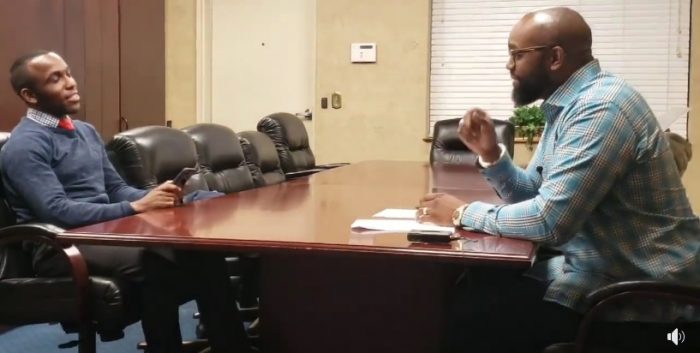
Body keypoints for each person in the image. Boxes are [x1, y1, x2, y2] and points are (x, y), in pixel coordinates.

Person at [417, 7, 700, 353]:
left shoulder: (602, 108)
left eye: (516, 54)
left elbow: (549, 222)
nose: (509, 65)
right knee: (475, 284)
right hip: (600, 269)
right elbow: (533, 194)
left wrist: (461, 214)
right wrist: (491, 155)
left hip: (645, 298)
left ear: (555, 57)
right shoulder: (570, 105)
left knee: (469, 316)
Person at [1, 50, 251, 353]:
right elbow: (57, 211)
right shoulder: (24, 145)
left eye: (68, 73)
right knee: (155, 258)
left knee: (203, 253)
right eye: (56, 79)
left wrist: (160, 198)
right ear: (30, 95)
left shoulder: (85, 131)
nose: (70, 83)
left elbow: (117, 189)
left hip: (106, 231)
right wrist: (135, 207)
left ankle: (232, 346)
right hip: (61, 244)